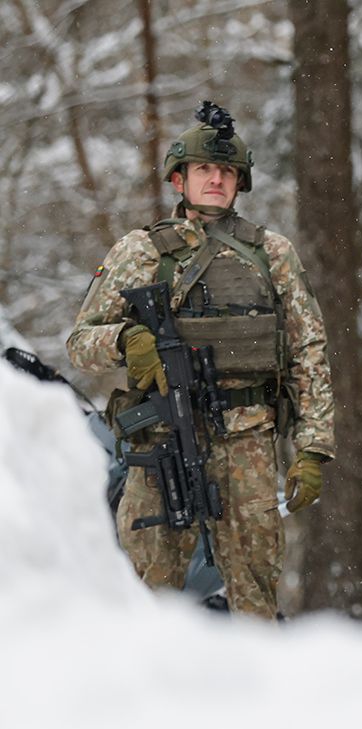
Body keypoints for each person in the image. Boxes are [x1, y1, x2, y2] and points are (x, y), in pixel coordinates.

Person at [67, 102, 334, 620]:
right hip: (162, 442)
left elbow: (309, 351)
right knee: (150, 598)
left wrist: (313, 448)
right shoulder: (140, 251)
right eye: (205, 169)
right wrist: (127, 341)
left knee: (255, 599)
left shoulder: (272, 253)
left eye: (227, 172)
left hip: (248, 446)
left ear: (240, 183)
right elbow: (81, 342)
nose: (216, 180)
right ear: (179, 178)